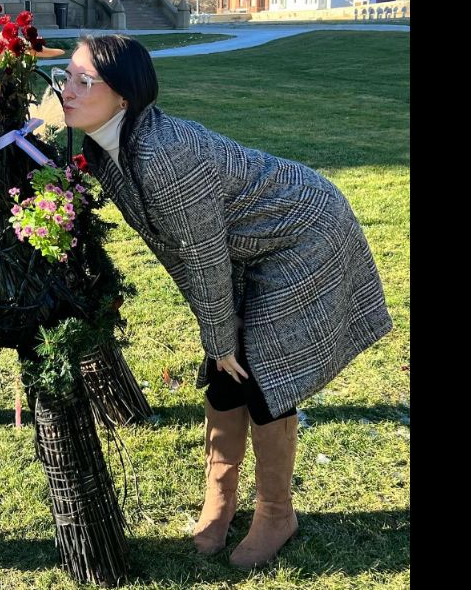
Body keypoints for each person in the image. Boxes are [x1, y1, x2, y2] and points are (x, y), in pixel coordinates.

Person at [50, 35, 392, 568]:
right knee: (224, 370)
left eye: (82, 81)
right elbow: (185, 249)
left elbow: (203, 254)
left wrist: (219, 334)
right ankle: (221, 498)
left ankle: (277, 512)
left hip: (305, 234)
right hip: (247, 247)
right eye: (65, 75)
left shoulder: (164, 155)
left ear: (124, 97)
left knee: (259, 370)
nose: (67, 90)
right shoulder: (102, 143)